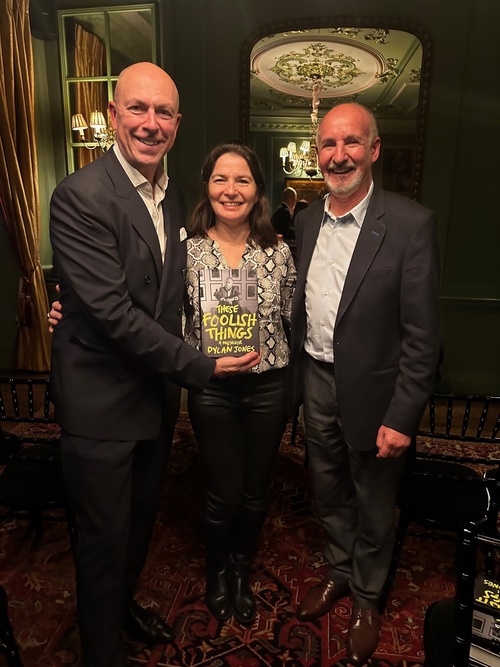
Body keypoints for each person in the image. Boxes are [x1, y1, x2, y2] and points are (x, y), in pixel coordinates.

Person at [48, 63, 259, 667]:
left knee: (139, 525)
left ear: (177, 124)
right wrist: (202, 365)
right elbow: (113, 312)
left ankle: (120, 609)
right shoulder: (80, 194)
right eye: (137, 109)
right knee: (103, 538)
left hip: (154, 398)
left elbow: (178, 297)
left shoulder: (175, 200)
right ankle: (102, 651)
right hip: (101, 403)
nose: (150, 123)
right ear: (114, 115)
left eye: (163, 112)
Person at [289, 103, 441, 666]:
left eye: (351, 142)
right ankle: (338, 572)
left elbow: (423, 337)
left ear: (374, 150)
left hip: (377, 393)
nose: (338, 155)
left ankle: (368, 598)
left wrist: (403, 417)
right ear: (317, 152)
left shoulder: (409, 224)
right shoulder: (305, 220)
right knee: (326, 487)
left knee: (374, 500)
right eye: (328, 144)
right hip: (316, 379)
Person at [184, 142, 296, 625]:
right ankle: (216, 572)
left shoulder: (279, 251)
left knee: (255, 489)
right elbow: (160, 315)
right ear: (207, 187)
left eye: (242, 180)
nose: (231, 190)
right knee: (223, 491)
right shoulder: (186, 251)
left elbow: (297, 315)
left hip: (269, 386)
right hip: (210, 389)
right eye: (220, 179)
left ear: (258, 191)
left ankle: (240, 570)